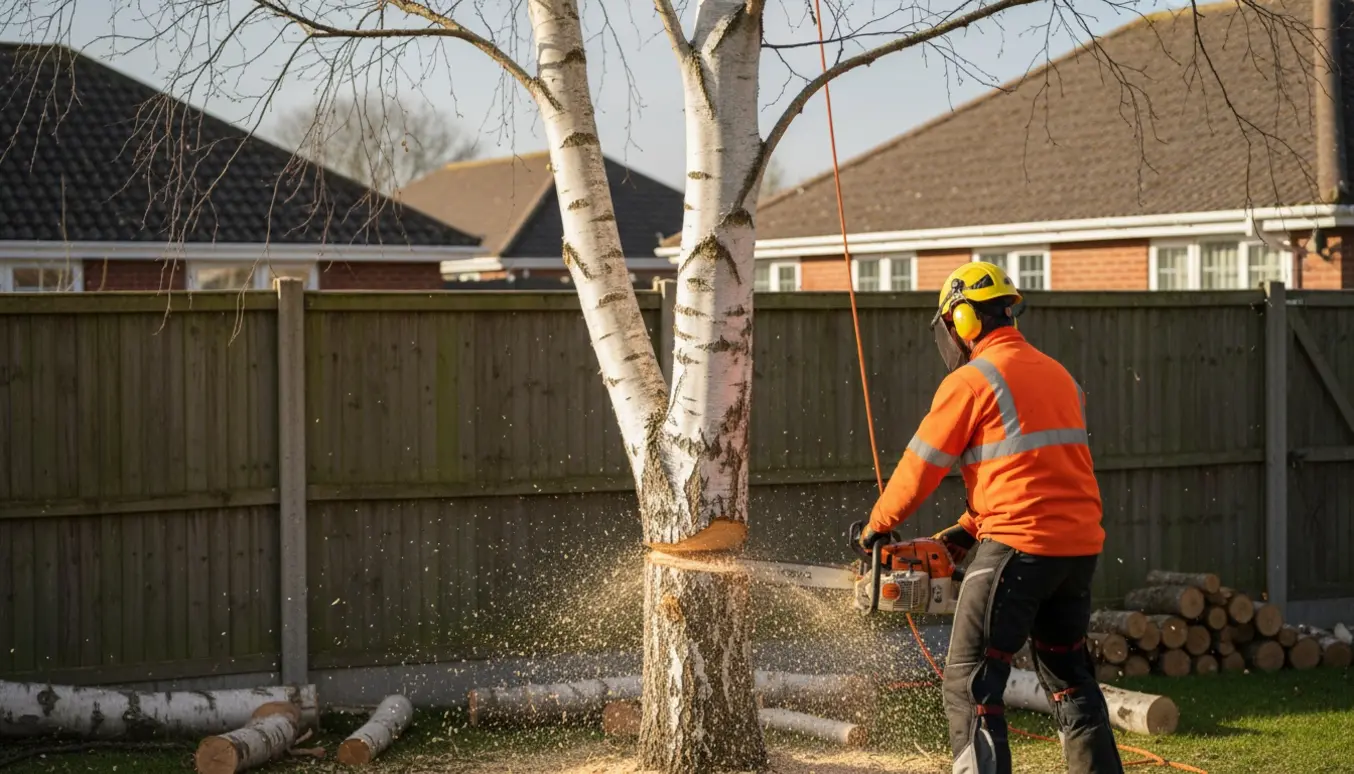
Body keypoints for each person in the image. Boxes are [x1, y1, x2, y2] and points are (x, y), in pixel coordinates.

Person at [856, 261, 1124, 774]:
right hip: (1076, 552)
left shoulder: (973, 381)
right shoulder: (1060, 376)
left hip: (1019, 549)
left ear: (962, 320)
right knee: (1071, 681)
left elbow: (920, 467)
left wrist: (877, 526)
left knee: (969, 682)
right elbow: (1035, 472)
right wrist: (970, 526)